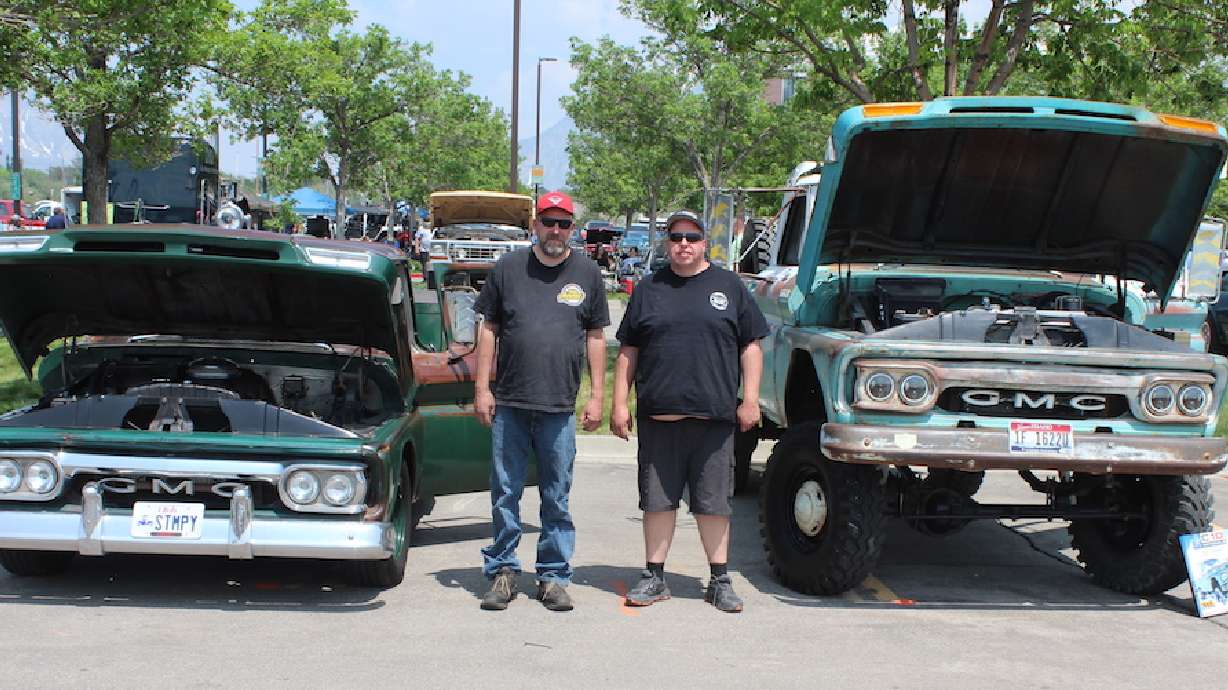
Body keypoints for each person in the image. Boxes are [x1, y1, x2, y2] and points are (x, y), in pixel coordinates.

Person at [611, 209, 769, 614]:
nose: (684, 244)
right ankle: (654, 577)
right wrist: (618, 403)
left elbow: (751, 345)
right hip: (659, 419)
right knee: (657, 502)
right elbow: (629, 349)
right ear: (667, 242)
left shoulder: (728, 285)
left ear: (704, 243)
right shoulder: (649, 288)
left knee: (714, 504)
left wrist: (750, 399)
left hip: (713, 420)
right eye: (676, 236)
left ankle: (719, 580)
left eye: (692, 237)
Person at [473, 190, 610, 612]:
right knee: (505, 493)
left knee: (557, 496)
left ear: (573, 228)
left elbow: (596, 336)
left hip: (559, 407)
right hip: (511, 402)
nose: (555, 230)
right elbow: (489, 329)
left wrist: (597, 396)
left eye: (563, 223)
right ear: (535, 225)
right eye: (548, 222)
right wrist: (481, 388)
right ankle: (502, 572)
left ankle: (552, 576)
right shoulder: (509, 268)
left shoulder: (587, 273)